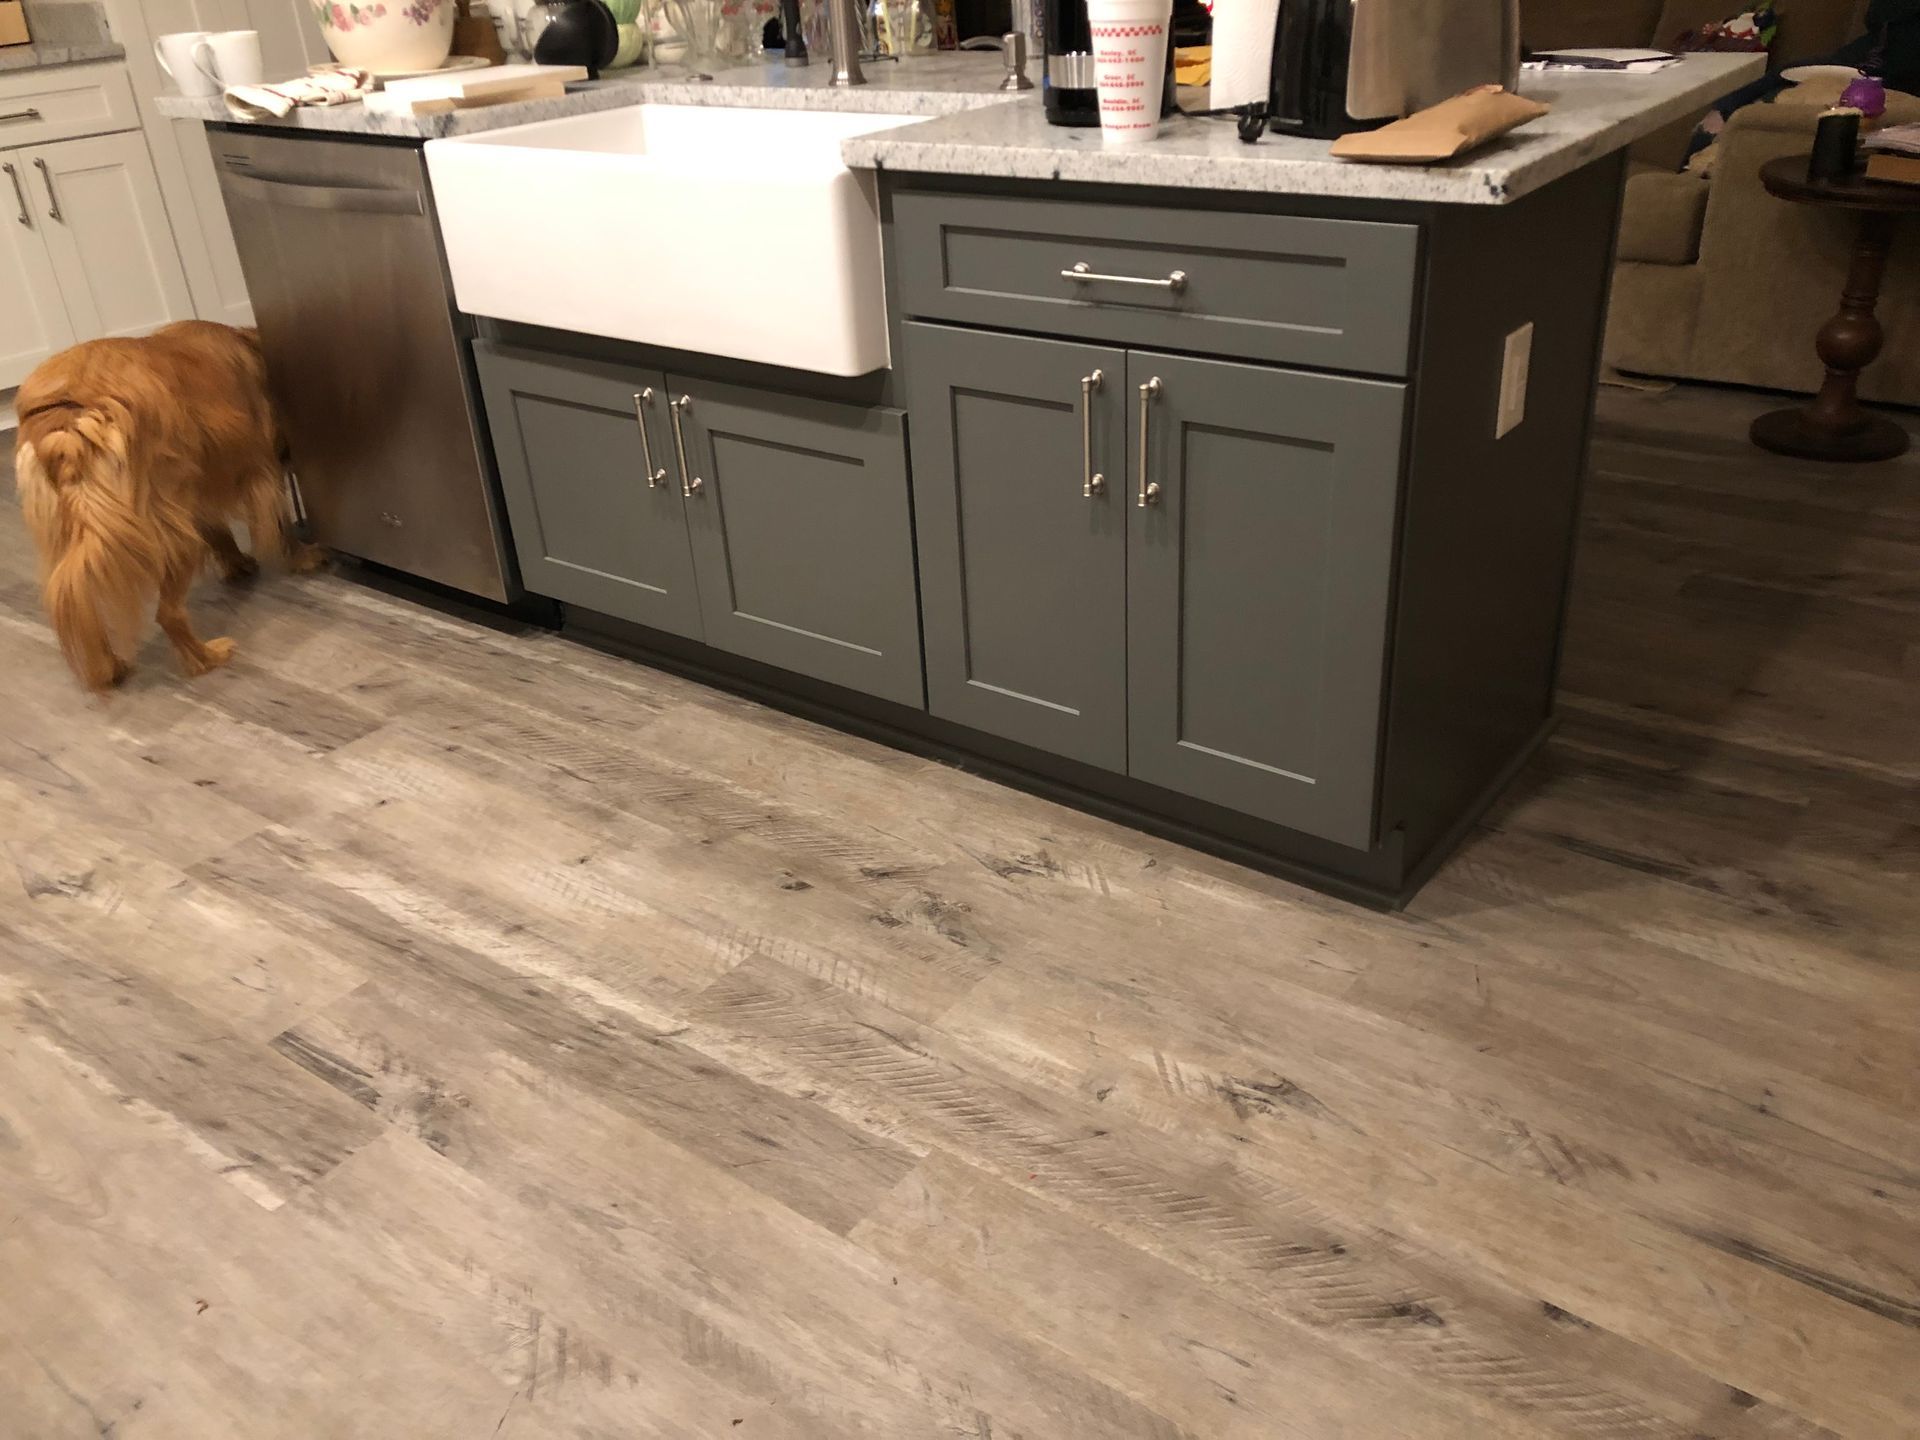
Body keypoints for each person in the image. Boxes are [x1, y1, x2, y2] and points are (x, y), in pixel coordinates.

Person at [1687, 0, 1920, 159]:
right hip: (1872, 53)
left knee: (1771, 92)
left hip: (1887, 67)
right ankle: (1715, 123)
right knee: (1775, 77)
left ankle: (1714, 131)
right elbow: (1878, 18)